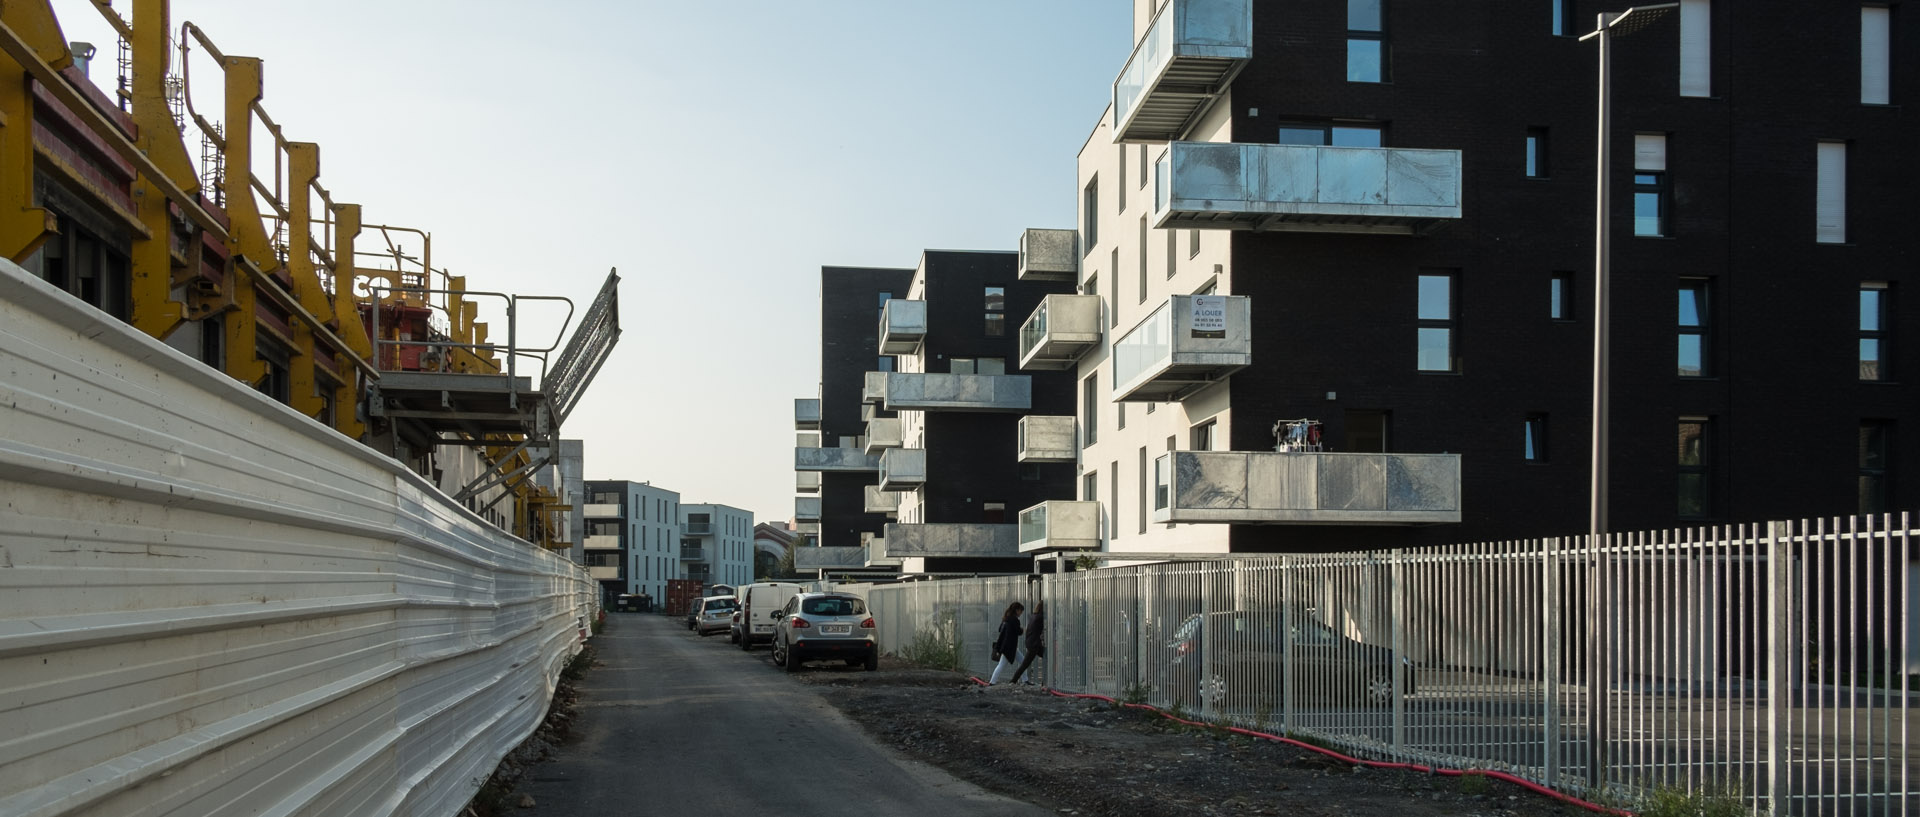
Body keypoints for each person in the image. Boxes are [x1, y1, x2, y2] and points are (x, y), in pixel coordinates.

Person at [988, 601, 1024, 685]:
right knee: (1001, 665)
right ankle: (992, 682)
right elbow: (1018, 631)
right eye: (1021, 611)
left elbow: (1000, 629)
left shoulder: (1006, 618)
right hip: (1009, 647)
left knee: (1023, 661)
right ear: (1017, 610)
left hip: (1008, 646)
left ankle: (1025, 680)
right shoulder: (1015, 620)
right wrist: (1022, 630)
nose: (1021, 613)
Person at [1009, 601, 1045, 685]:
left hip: (1031, 643)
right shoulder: (1040, 617)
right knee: (1025, 664)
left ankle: (1046, 681)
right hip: (1034, 645)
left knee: (1047, 658)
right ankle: (1013, 681)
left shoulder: (1034, 616)